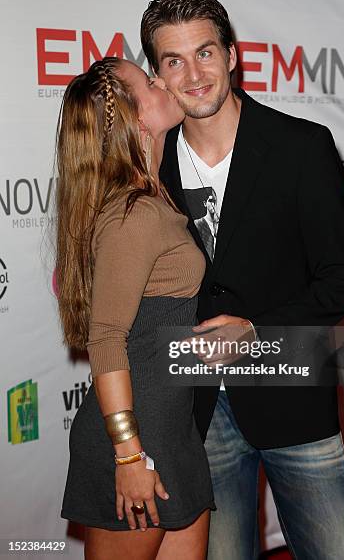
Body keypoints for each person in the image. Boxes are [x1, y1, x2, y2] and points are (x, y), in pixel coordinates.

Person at [141, 0, 344, 559]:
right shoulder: (151, 166)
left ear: (232, 54)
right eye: (174, 60)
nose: (193, 74)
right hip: (197, 411)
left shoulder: (300, 147)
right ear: (157, 73)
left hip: (293, 394)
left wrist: (256, 331)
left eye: (205, 53)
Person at [57, 56, 214, 560]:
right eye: (149, 82)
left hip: (173, 430)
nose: (163, 80)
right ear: (133, 118)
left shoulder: (154, 198)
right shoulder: (134, 213)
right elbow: (106, 338)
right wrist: (128, 455)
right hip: (136, 441)